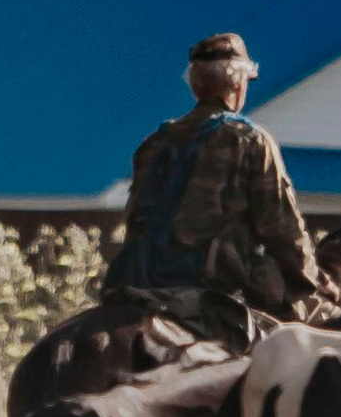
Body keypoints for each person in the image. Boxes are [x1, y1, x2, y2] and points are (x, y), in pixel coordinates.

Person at [103, 30, 322, 347]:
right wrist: (310, 292)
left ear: (195, 85)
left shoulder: (153, 144)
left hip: (135, 287)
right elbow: (282, 231)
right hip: (214, 294)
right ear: (238, 85)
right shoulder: (250, 141)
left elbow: (137, 222)